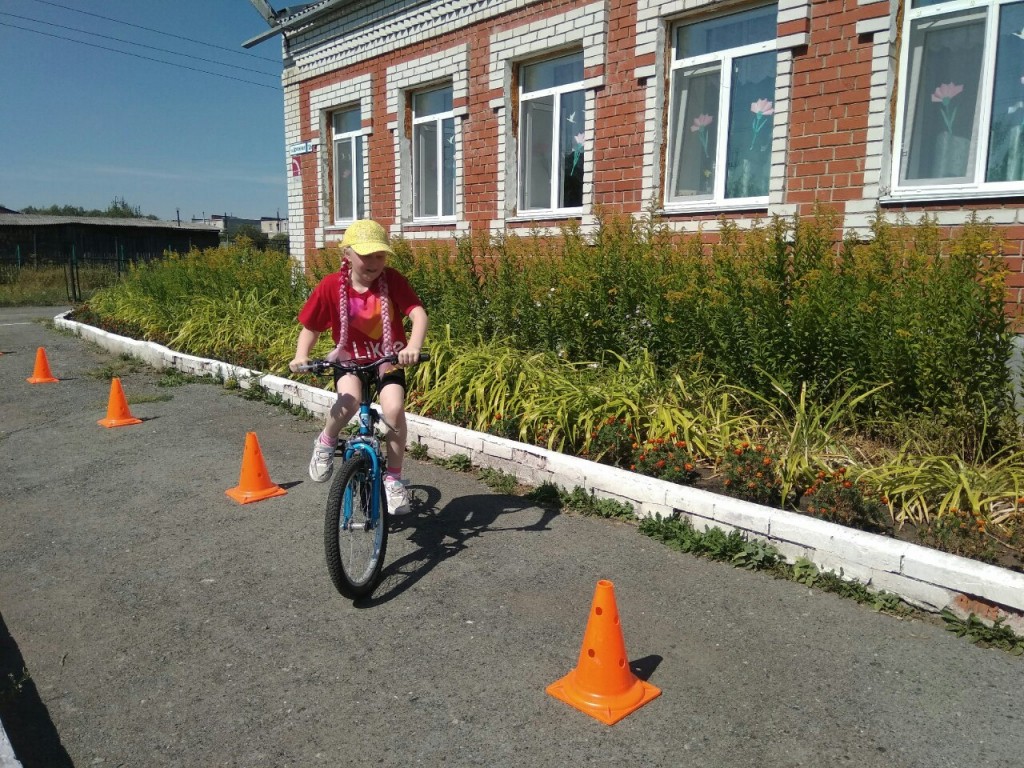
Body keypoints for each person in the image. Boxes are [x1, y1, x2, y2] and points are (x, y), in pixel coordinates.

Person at [289, 219, 428, 516]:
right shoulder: (331, 285)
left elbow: (417, 314)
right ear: (347, 254)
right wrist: (302, 355)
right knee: (349, 401)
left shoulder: (392, 280)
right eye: (366, 255)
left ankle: (393, 479)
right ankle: (326, 441)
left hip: (388, 358)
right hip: (349, 359)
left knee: (394, 409)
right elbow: (311, 328)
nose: (374, 262)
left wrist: (413, 346)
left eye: (380, 255)